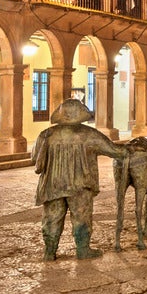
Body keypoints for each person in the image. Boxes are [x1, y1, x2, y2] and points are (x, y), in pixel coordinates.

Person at [32, 99, 128, 261]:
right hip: (80, 185)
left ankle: (49, 251)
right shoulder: (88, 134)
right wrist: (133, 148)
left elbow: (35, 158)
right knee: (81, 217)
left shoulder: (46, 135)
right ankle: (83, 249)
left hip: (52, 185)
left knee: (51, 218)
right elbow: (115, 151)